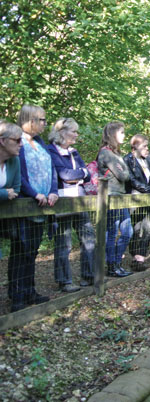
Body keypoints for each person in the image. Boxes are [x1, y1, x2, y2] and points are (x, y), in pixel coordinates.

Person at [14, 105, 57, 311]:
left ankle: (29, 291)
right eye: (41, 120)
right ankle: (17, 296)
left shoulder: (40, 142)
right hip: (24, 204)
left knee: (32, 251)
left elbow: (52, 169)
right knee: (20, 251)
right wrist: (33, 193)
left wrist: (53, 190)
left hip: (42, 206)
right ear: (30, 120)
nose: (44, 124)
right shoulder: (17, 141)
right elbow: (17, 174)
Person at [47, 118, 95, 290]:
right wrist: (80, 173)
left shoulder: (74, 152)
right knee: (64, 242)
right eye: (73, 131)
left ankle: (89, 276)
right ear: (61, 132)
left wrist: (79, 174)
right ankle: (64, 281)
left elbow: (88, 174)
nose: (76, 134)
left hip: (79, 200)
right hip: (62, 202)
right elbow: (64, 174)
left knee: (89, 238)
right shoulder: (51, 151)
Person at [97, 121, 133, 277]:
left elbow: (126, 173)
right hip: (111, 196)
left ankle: (116, 262)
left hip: (120, 196)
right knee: (112, 232)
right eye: (122, 132)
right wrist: (123, 170)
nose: (124, 135)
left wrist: (123, 170)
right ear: (113, 134)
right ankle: (111, 266)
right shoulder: (106, 153)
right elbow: (123, 175)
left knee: (127, 231)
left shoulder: (117, 154)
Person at [124, 134, 150, 270]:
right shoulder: (128, 160)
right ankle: (136, 257)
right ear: (135, 146)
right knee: (136, 228)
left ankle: (141, 257)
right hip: (135, 199)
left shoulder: (146, 161)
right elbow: (131, 180)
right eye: (144, 146)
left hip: (148, 198)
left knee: (149, 228)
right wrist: (149, 190)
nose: (147, 149)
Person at [0, 121, 24, 311]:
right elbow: (7, 193)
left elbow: (15, 189)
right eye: (17, 140)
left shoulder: (14, 161)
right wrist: (2, 194)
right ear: (3, 141)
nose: (20, 144)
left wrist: (6, 193)